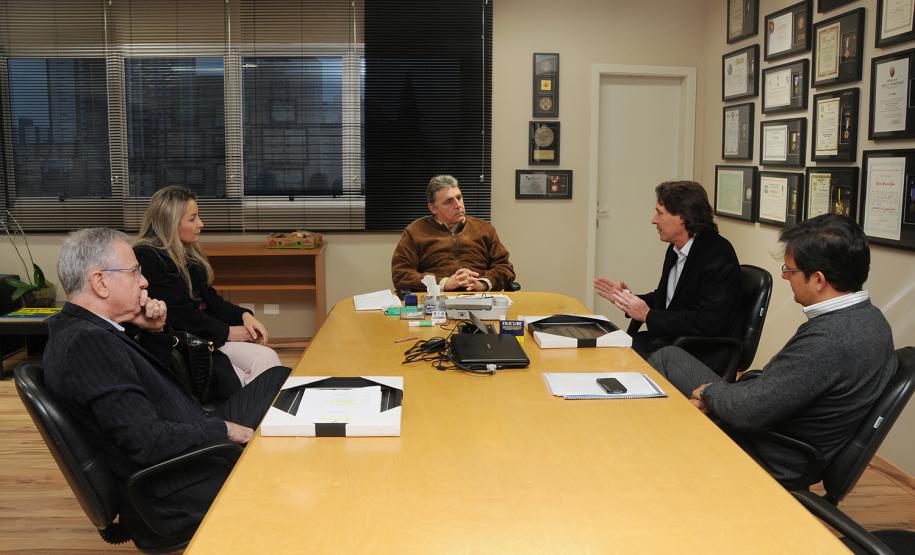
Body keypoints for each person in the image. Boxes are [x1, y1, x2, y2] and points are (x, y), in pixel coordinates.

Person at [42, 228, 291, 535]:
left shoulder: (85, 329)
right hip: (178, 485)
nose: (144, 282)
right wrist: (225, 429)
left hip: (190, 439)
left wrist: (155, 333)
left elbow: (163, 390)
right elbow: (145, 442)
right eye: (134, 272)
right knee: (293, 465)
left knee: (281, 379)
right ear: (100, 282)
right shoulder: (89, 345)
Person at [648, 214, 896, 488]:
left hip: (769, 454)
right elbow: (777, 388)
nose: (784, 277)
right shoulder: (871, 319)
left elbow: (749, 411)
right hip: (775, 426)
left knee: (659, 409)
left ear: (818, 279)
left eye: (789, 271)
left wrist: (709, 392)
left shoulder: (830, 340)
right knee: (667, 357)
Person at [134, 186, 281, 399]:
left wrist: (243, 315)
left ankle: (251, 422)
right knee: (247, 375)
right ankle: (244, 423)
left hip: (208, 337)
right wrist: (228, 332)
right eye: (192, 218)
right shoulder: (147, 257)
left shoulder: (188, 255)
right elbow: (179, 313)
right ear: (171, 223)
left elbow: (211, 300)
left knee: (268, 361)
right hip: (187, 344)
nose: (200, 224)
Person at [594, 180, 742, 362]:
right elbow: (668, 300)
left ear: (682, 217)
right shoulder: (676, 248)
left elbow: (708, 322)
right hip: (669, 341)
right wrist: (630, 299)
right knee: (605, 349)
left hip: (697, 351)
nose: (653, 220)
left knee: (617, 360)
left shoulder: (717, 255)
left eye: (659, 213)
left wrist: (648, 315)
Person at [392, 175, 516, 292]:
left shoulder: (484, 228)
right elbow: (401, 274)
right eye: (448, 202)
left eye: (459, 197)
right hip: (438, 300)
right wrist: (443, 283)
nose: (458, 205)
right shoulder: (415, 232)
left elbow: (505, 267)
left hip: (479, 297)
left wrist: (483, 283)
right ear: (433, 208)